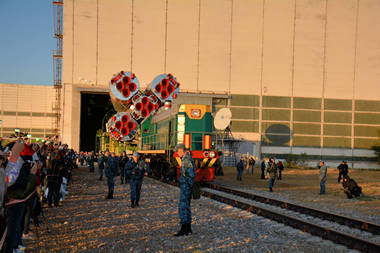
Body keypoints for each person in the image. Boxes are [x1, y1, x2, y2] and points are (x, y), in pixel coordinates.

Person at [174, 143, 196, 237]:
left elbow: (191, 175)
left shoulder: (186, 159)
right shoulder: (186, 158)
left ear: (181, 150)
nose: (177, 153)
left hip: (186, 188)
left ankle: (184, 228)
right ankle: (188, 228)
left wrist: (188, 186)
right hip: (186, 187)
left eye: (178, 151)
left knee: (182, 207)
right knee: (186, 207)